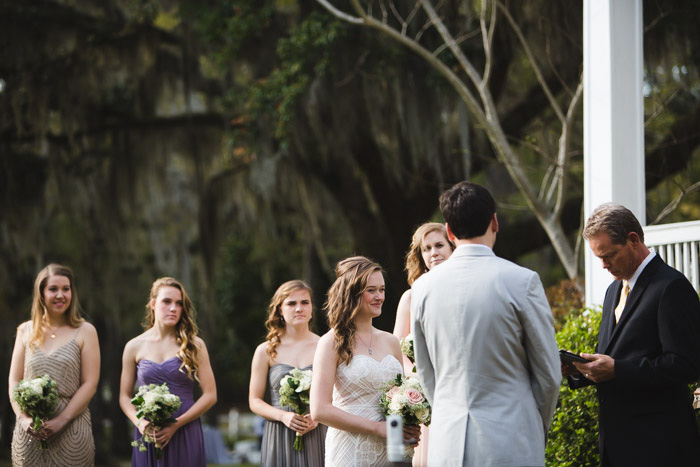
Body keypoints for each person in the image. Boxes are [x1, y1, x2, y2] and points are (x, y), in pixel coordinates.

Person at [411, 181, 561, 466]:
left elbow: (427, 375)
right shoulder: (522, 282)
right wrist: (533, 426)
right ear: (495, 222)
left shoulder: (423, 288)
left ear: (450, 231)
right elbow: (549, 375)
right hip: (512, 440)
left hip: (447, 444)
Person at [564, 203, 700, 466]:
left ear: (633, 240)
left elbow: (686, 365)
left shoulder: (672, 287)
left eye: (609, 255)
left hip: (660, 447)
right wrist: (580, 370)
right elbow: (616, 357)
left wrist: (618, 370)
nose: (603, 265)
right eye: (599, 258)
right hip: (616, 447)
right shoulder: (613, 292)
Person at [311, 256, 420, 467]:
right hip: (351, 451)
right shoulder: (331, 342)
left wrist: (409, 423)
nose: (379, 296)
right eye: (371, 290)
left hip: (392, 450)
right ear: (351, 293)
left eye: (382, 289)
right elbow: (319, 409)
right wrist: (377, 427)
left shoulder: (390, 341)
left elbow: (399, 397)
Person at [120, 277, 217, 466]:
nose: (173, 308)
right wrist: (140, 423)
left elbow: (210, 395)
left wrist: (176, 424)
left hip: (185, 428)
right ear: (153, 304)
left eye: (179, 303)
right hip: (149, 431)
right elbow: (124, 396)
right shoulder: (134, 346)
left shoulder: (195, 345)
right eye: (167, 301)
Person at [9, 263, 99, 466]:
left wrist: (61, 420)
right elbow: (14, 379)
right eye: (53, 289)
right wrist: (23, 419)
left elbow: (90, 383)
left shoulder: (86, 331)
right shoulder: (25, 330)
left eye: (66, 289)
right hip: (30, 430)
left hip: (72, 430)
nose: (61, 295)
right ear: (41, 293)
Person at [392, 222, 454, 467]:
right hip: (425, 393)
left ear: (452, 247)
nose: (433, 253)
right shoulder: (411, 296)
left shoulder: (463, 290)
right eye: (426, 249)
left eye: (439, 245)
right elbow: (396, 350)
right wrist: (417, 378)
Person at [249, 280, 327, 466]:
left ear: (311, 308)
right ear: (280, 310)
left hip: (316, 430)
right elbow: (254, 401)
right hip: (279, 433)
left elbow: (337, 395)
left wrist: (317, 417)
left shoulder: (325, 346)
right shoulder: (265, 351)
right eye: (291, 303)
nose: (299, 308)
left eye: (304, 302)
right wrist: (283, 416)